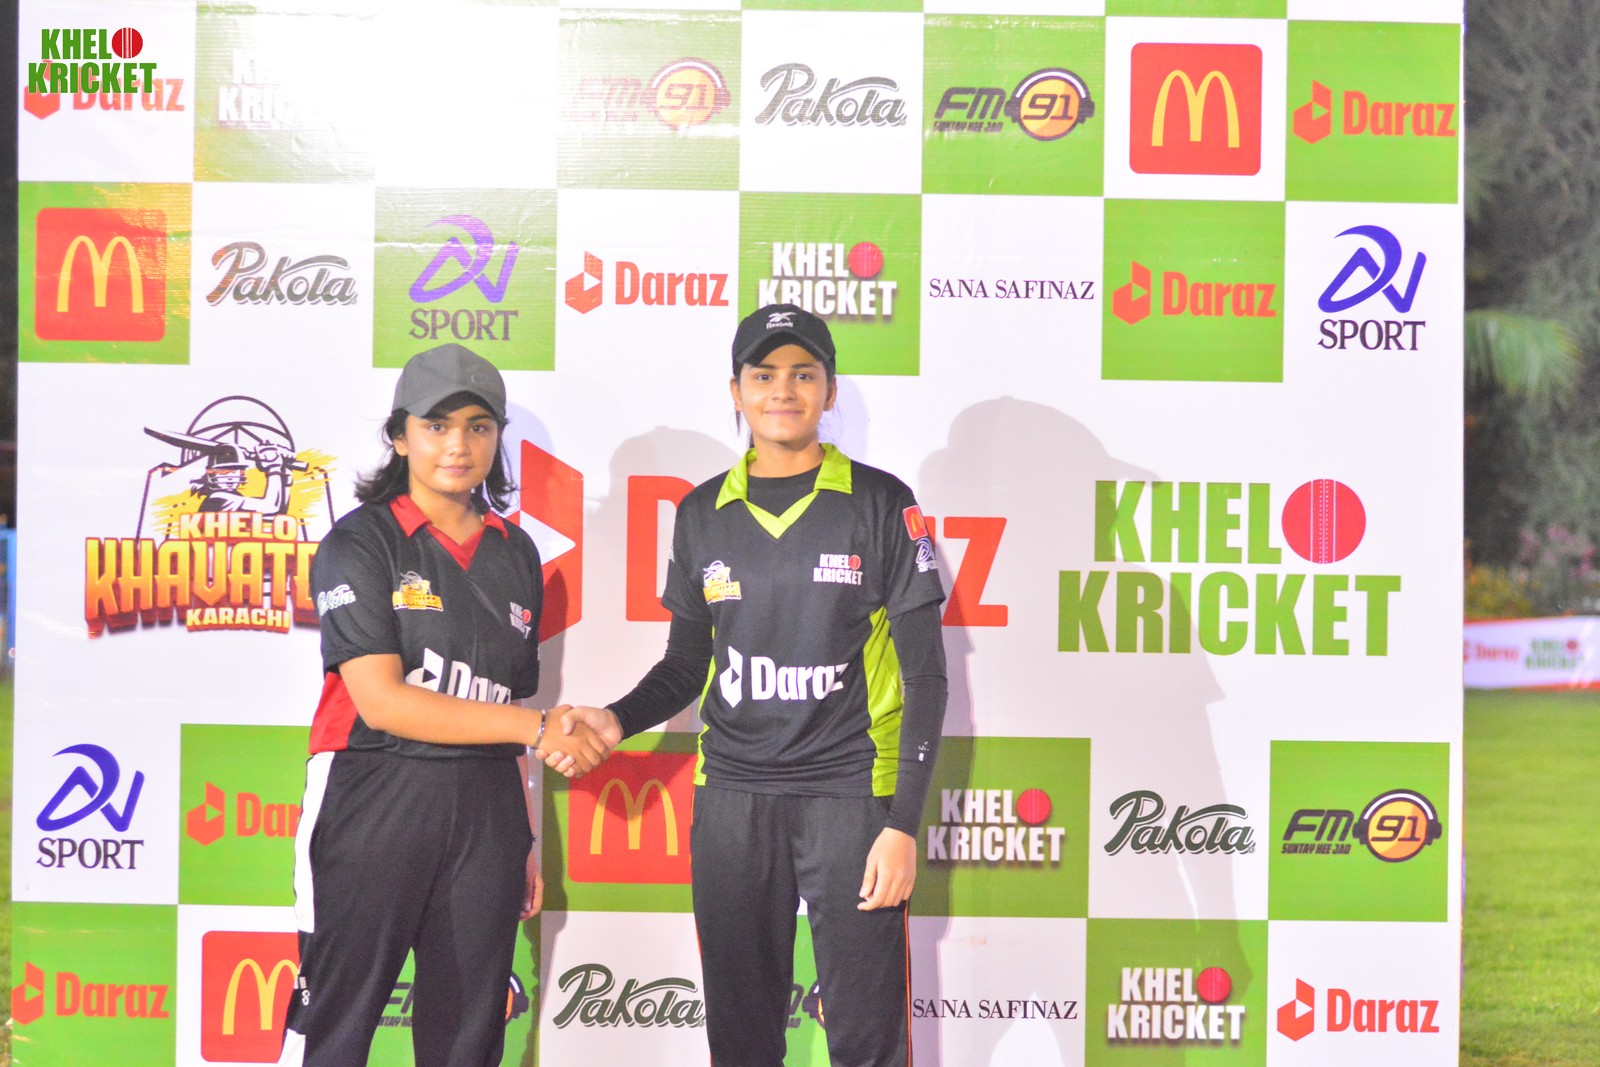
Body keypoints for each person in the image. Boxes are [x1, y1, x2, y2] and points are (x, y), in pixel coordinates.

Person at [555, 305, 948, 1067]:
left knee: (868, 1039)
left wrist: (902, 822)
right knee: (741, 1040)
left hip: (850, 799)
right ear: (735, 391)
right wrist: (615, 717)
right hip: (732, 799)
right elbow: (685, 663)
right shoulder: (702, 512)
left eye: (803, 373)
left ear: (830, 390)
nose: (783, 391)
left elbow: (926, 675)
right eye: (763, 375)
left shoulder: (880, 501)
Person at [279, 342, 606, 1067]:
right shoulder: (360, 542)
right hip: (374, 794)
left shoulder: (517, 551)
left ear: (497, 437)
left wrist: (523, 834)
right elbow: (383, 702)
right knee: (336, 1029)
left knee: (468, 1035)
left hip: (486, 808)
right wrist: (540, 728)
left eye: (477, 426)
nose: (458, 444)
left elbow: (507, 703)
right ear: (399, 436)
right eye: (435, 425)